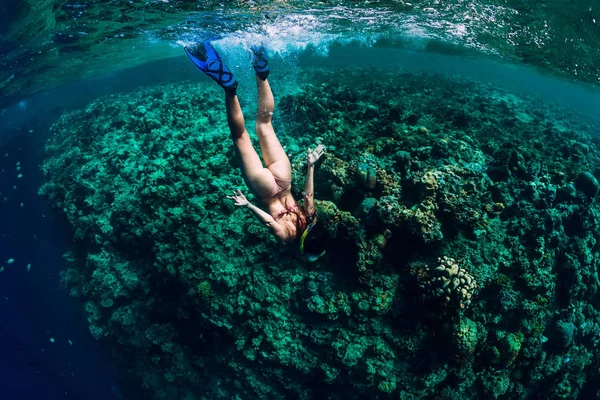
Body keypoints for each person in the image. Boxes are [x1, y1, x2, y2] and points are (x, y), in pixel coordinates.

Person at [184, 41, 326, 259]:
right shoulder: (287, 238)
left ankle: (261, 73)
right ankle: (229, 88)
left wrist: (311, 166)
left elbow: (308, 195)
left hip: (284, 179)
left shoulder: (312, 219)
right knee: (240, 137)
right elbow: (270, 221)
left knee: (265, 124)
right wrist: (248, 204)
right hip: (265, 192)